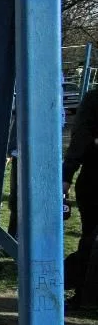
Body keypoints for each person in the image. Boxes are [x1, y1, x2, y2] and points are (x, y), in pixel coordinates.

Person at [63, 89, 98, 310]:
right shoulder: (95, 99)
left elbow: (81, 137)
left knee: (91, 238)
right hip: (94, 180)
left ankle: (82, 290)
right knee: (91, 237)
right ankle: (84, 292)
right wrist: (67, 174)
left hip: (93, 179)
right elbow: (82, 137)